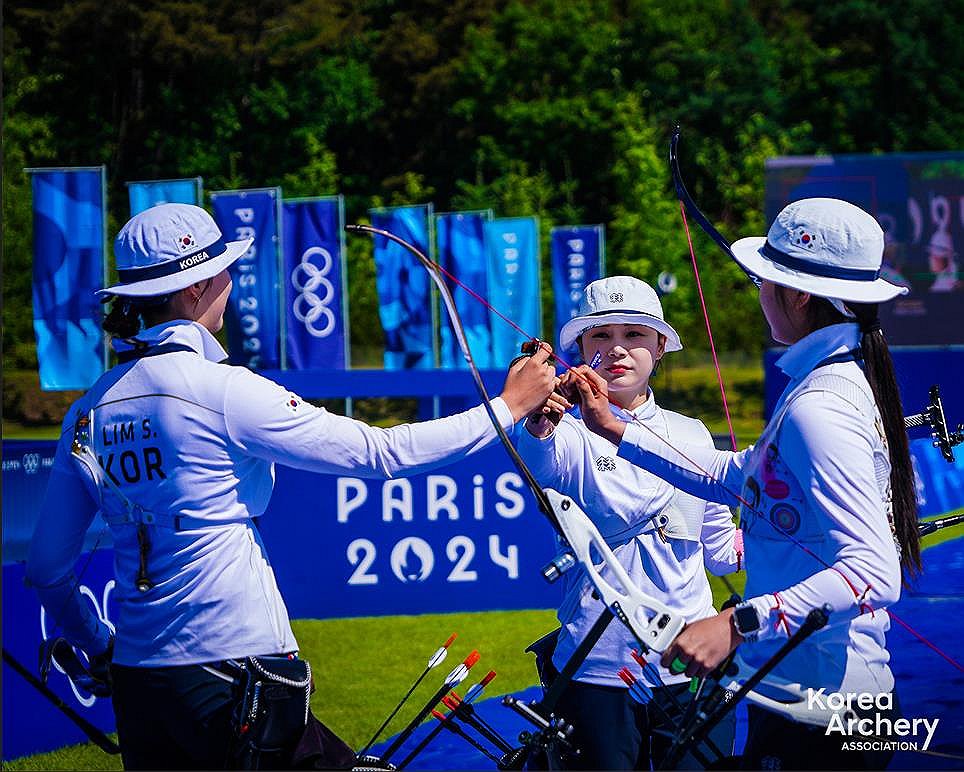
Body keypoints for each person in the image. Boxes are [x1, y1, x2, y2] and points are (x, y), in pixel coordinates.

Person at [25, 203, 557, 770]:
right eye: (224, 271)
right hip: (233, 664)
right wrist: (508, 405)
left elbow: (47, 569)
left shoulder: (88, 410)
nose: (230, 283)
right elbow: (383, 453)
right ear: (196, 287)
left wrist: (100, 643)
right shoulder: (223, 390)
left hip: (140, 682)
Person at [570, 198, 920, 770]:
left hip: (825, 709)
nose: (758, 294)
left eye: (764, 281)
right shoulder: (831, 382)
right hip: (815, 697)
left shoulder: (822, 404)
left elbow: (872, 574)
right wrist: (616, 429)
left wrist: (735, 624)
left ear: (799, 295)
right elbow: (735, 477)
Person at [516, 276, 741, 770]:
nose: (618, 349)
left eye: (634, 335)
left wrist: (788, 533)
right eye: (601, 336)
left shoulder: (692, 433)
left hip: (688, 657)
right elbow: (538, 456)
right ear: (579, 348)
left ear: (660, 347)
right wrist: (536, 418)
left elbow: (722, 550)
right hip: (596, 667)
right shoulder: (564, 430)